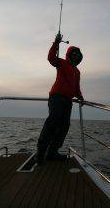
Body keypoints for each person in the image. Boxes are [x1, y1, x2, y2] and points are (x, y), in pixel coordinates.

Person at [35, 33, 84, 163]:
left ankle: (52, 152)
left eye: (77, 55)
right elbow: (51, 58)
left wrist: (80, 97)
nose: (75, 56)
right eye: (73, 54)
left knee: (64, 126)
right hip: (56, 97)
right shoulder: (61, 63)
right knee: (52, 123)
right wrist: (56, 43)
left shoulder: (77, 71)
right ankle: (40, 152)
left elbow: (76, 87)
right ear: (69, 55)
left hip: (68, 101)